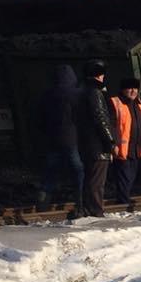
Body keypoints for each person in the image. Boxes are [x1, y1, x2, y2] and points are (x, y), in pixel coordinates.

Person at [72, 60, 116, 219]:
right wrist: (110, 141)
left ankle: (86, 208)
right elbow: (101, 118)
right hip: (97, 144)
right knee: (97, 181)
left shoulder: (80, 91)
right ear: (99, 75)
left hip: (85, 142)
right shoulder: (95, 93)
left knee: (90, 178)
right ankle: (96, 211)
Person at [36, 64, 82, 212]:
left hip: (52, 139)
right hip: (72, 138)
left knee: (51, 170)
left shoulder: (47, 95)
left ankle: (43, 197)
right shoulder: (76, 95)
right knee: (78, 169)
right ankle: (80, 199)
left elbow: (40, 119)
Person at [110, 77, 141, 210]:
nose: (133, 91)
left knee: (131, 176)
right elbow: (112, 126)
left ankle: (124, 201)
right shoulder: (116, 103)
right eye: (130, 88)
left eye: (135, 88)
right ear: (123, 89)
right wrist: (113, 144)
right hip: (123, 148)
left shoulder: (139, 104)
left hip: (137, 147)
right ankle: (123, 203)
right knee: (124, 176)